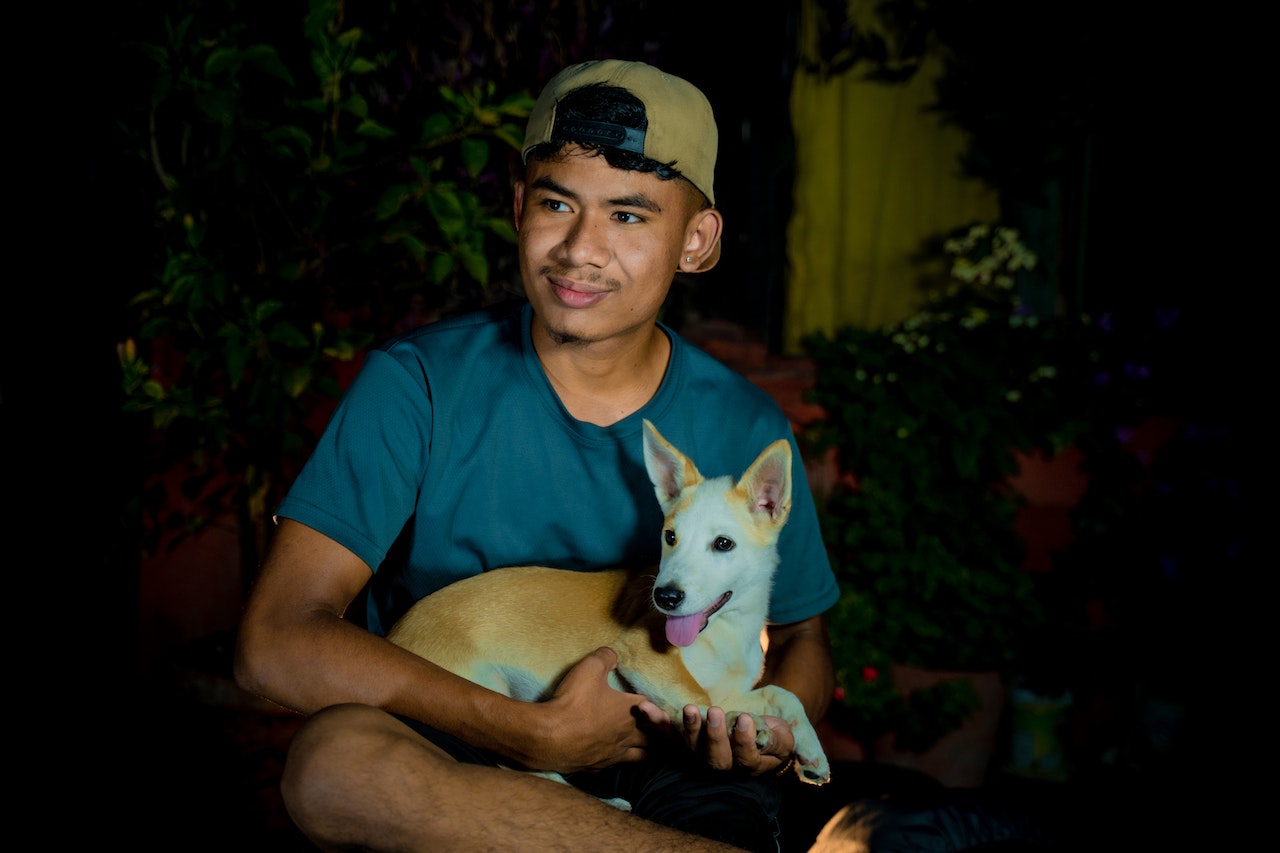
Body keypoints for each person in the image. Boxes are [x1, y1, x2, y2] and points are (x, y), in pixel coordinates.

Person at [235, 58, 840, 853]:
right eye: (558, 203)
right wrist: (530, 735)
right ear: (520, 208)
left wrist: (759, 726)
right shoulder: (418, 384)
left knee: (726, 806)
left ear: (696, 241)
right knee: (331, 762)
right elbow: (273, 640)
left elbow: (802, 636)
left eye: (629, 216)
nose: (580, 249)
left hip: (666, 758)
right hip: (457, 747)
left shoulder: (741, 420)